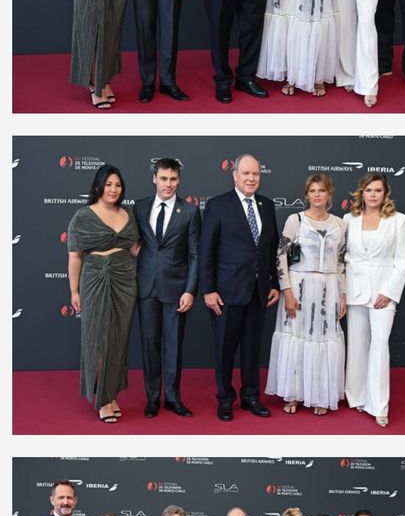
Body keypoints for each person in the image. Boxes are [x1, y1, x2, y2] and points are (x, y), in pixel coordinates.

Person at [199, 153, 280, 421]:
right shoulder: (217, 205)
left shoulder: (267, 206)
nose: (251, 178)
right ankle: (225, 399)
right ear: (234, 175)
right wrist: (208, 290)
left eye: (256, 173)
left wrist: (275, 284)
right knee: (224, 349)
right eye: (245, 173)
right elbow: (206, 251)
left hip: (258, 291)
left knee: (252, 348)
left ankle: (250, 397)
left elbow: (271, 249)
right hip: (226, 293)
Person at [265, 172, 345, 416]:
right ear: (306, 194)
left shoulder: (340, 224)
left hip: (329, 289)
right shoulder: (295, 220)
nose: (317, 195)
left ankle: (321, 395)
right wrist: (286, 291)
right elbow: (281, 256)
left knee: (323, 340)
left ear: (329, 194)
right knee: (297, 338)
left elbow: (342, 263)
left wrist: (343, 296)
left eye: (321, 190)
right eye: (312, 191)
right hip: (298, 286)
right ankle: (293, 394)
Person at [67, 164, 140, 423]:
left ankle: (111, 393)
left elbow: (134, 250)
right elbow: (75, 256)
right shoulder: (83, 216)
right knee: (98, 338)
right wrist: (74, 290)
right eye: (108, 184)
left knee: (118, 340)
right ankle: (102, 399)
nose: (113, 189)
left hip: (125, 280)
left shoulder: (128, 215)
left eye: (118, 185)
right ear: (98, 186)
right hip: (95, 277)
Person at [134, 157, 201, 418]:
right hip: (146, 287)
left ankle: (172, 398)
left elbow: (195, 254)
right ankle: (152, 399)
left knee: (173, 346)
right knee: (150, 345)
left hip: (176, 290)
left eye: (173, 179)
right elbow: (132, 241)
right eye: (163, 178)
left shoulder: (191, 212)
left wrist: (190, 290)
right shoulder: (139, 208)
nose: (168, 184)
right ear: (154, 178)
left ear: (179, 180)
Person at [343, 171, 405, 427]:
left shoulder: (398, 220)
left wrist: (390, 292)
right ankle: (357, 397)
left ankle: (379, 405)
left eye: (378, 190)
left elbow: (403, 259)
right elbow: (343, 256)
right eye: (369, 190)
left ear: (385, 193)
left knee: (380, 344)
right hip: (355, 288)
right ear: (362, 192)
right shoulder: (349, 219)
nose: (373, 195)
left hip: (384, 292)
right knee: (357, 345)